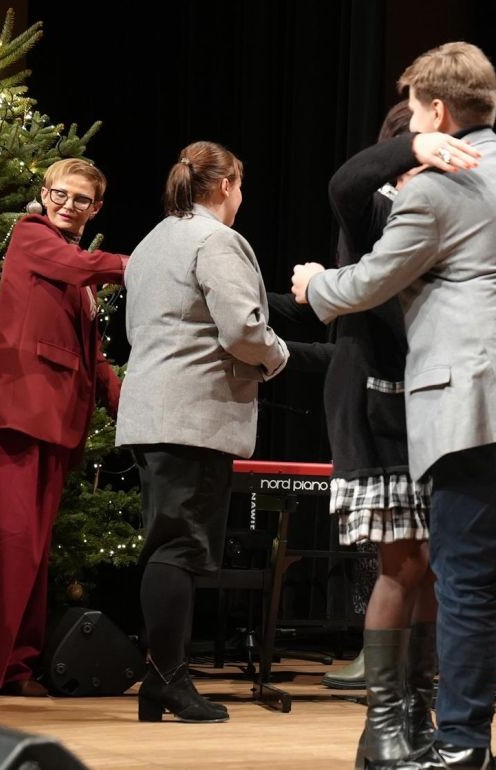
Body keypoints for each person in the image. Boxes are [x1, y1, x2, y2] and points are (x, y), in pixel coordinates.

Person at [291, 41, 496, 770]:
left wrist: (313, 287)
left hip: (485, 402)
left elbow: (368, 282)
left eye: (416, 113)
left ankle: (463, 745)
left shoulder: (435, 191)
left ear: (435, 112)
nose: (412, 126)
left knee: (466, 581)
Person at [0, 158, 127, 701]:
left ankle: (12, 665)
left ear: (96, 208)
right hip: (7, 412)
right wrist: (148, 265)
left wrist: (127, 405)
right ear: (44, 194)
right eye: (59, 194)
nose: (67, 205)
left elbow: (93, 357)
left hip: (51, 423)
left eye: (81, 199)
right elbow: (81, 266)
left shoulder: (78, 277)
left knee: (29, 551)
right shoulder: (31, 234)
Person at [116, 141, 289, 723]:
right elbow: (243, 330)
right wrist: (278, 355)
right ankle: (167, 679)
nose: (241, 199)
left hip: (152, 410)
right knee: (180, 547)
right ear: (224, 186)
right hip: (190, 415)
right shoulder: (216, 240)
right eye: (240, 187)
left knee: (167, 544)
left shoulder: (151, 241)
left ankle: (161, 680)